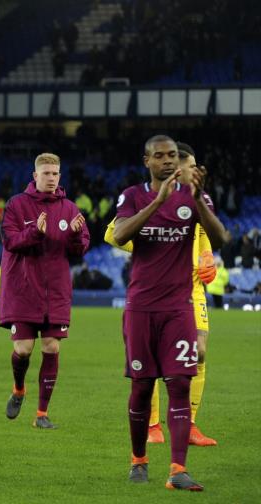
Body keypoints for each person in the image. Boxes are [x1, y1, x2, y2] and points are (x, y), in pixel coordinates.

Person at [112, 135, 227, 490]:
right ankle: (138, 459)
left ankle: (178, 470)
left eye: (172, 156)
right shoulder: (132, 196)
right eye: (159, 156)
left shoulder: (194, 197)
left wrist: (197, 201)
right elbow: (119, 235)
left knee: (179, 383)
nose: (167, 161)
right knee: (143, 387)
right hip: (141, 307)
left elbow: (220, 238)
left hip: (179, 307)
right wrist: (156, 203)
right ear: (146, 160)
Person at [0, 153, 89, 430]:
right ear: (35, 175)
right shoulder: (16, 205)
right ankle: (18, 389)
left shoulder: (70, 209)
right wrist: (35, 234)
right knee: (24, 350)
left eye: (56, 173)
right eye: (46, 173)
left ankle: (41, 414)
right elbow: (10, 241)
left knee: (51, 347)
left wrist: (75, 236)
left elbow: (80, 250)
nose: (51, 178)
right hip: (23, 289)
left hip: (56, 291)